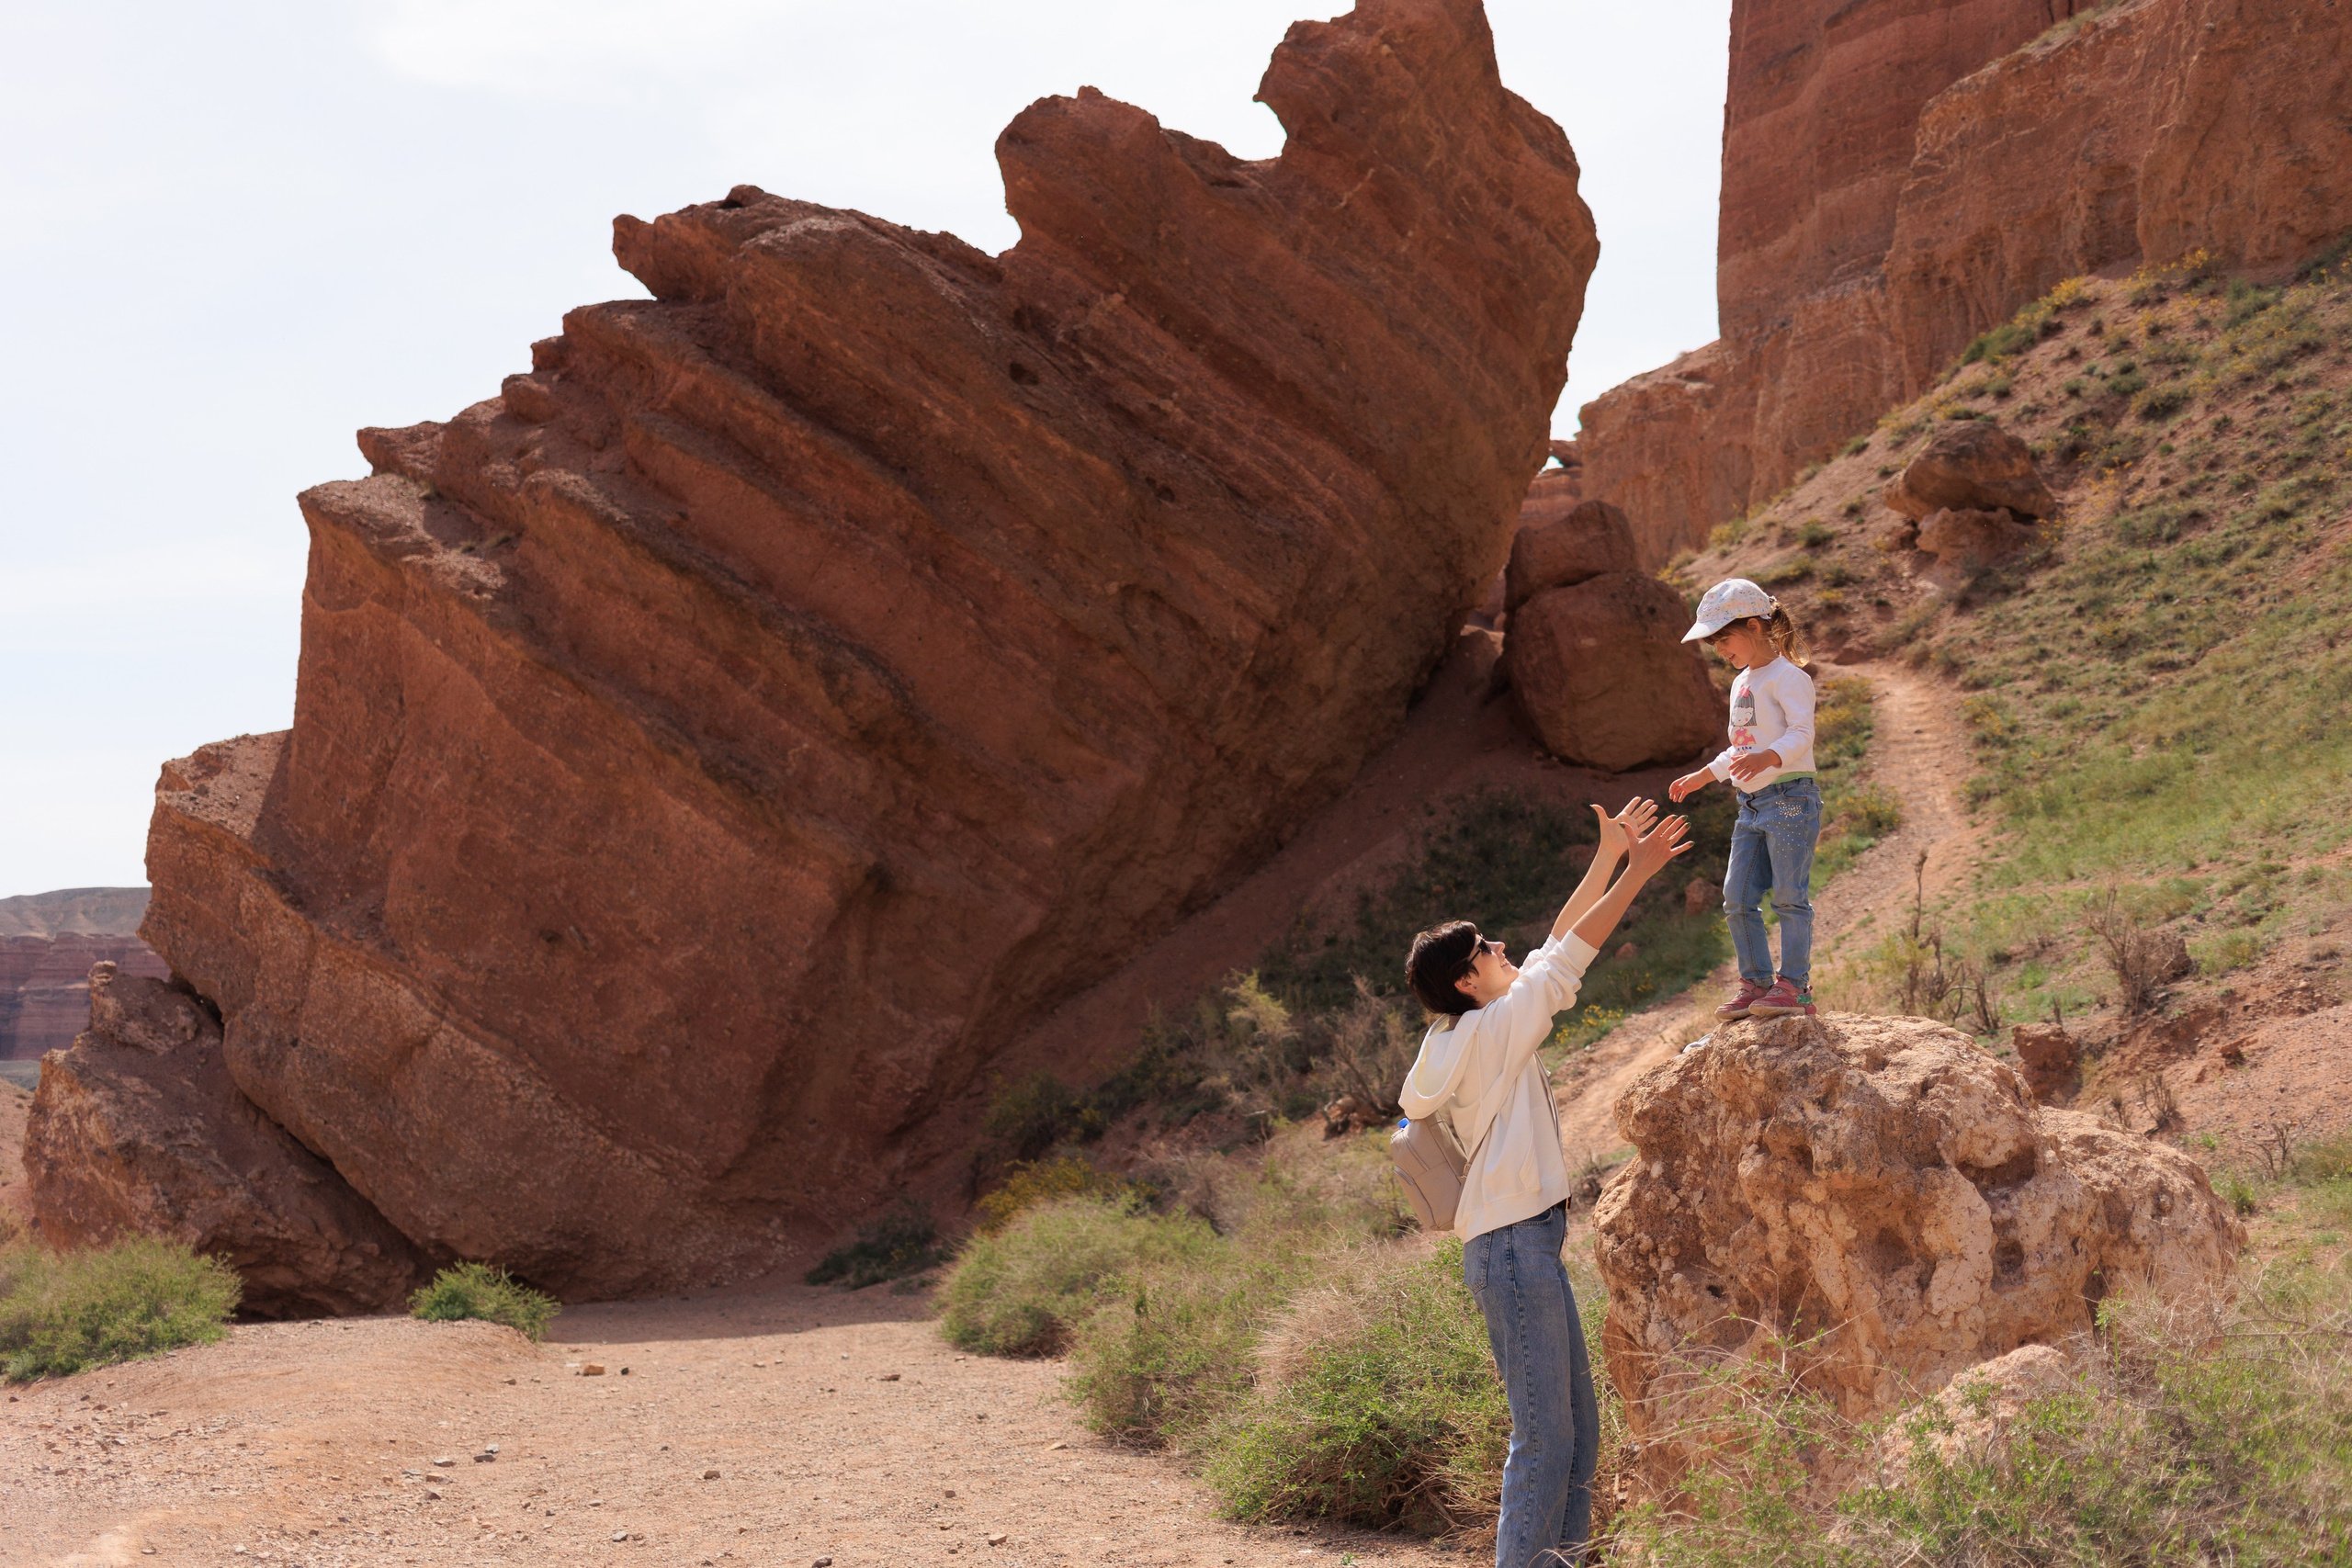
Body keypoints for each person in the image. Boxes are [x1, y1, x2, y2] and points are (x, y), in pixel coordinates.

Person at [1397, 799, 1692, 1568]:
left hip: (1525, 1246)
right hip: (1512, 1250)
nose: (1504, 948)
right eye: (1487, 947)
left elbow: (1548, 949)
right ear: (1467, 979)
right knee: (1544, 1437)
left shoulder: (1470, 1030)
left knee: (1576, 1432)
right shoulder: (1493, 1030)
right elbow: (1569, 956)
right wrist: (1639, 872)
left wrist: (1604, 857)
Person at [1668, 577, 1821, 1021]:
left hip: (1791, 797)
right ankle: (1756, 983)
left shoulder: (1789, 677)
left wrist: (1769, 758)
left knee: (1790, 897)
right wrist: (1705, 774)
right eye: (1713, 642)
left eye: (1724, 638)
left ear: (1754, 626)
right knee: (1736, 897)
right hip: (1751, 806)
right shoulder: (1742, 683)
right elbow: (1740, 747)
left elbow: (1801, 734)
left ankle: (1795, 987)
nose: (1719, 649)